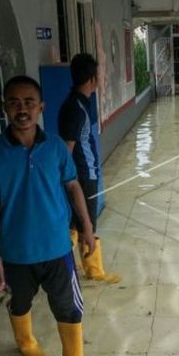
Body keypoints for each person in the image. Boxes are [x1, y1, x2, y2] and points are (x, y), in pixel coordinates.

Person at [0, 75, 102, 356]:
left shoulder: (56, 147)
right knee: (20, 303)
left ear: (41, 107)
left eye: (29, 102)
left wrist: (87, 228)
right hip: (16, 253)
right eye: (14, 102)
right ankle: (27, 343)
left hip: (59, 248)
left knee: (70, 308)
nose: (23, 109)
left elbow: (73, 187)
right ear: (4, 108)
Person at [58, 53, 121, 284]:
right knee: (87, 224)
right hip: (83, 177)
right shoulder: (76, 108)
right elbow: (67, 148)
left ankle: (66, 264)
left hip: (85, 174)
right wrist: (68, 180)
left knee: (77, 222)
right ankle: (92, 272)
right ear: (93, 78)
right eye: (100, 74)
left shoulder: (77, 102)